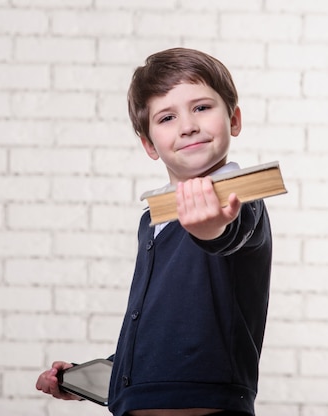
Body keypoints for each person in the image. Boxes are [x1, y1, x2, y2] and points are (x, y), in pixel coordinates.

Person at [36, 47, 273, 416]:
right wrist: (104, 377)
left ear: (234, 120)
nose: (187, 126)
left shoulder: (239, 197)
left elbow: (229, 234)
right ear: (149, 145)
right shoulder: (154, 219)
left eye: (201, 108)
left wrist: (212, 228)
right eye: (166, 117)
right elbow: (165, 330)